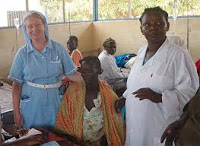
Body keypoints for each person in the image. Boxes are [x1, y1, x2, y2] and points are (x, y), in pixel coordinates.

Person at [115, 6, 199, 146]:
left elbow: (190, 90)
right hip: (135, 121)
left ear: (167, 25)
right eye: (147, 25)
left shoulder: (178, 55)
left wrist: (160, 97)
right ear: (142, 29)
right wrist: (124, 97)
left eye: (159, 23)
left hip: (159, 123)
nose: (153, 28)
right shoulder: (141, 52)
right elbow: (136, 80)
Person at [8, 11, 78, 129]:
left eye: (37, 25)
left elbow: (72, 74)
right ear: (25, 29)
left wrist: (95, 80)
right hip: (32, 104)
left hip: (54, 101)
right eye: (30, 26)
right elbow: (16, 85)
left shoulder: (58, 49)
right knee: (33, 137)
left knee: (55, 135)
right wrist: (16, 113)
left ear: (44, 26)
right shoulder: (22, 53)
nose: (34, 29)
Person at [52, 56, 125, 146]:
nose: (85, 75)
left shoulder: (108, 96)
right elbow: (63, 121)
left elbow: (113, 128)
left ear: (99, 71)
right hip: (74, 142)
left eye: (89, 71)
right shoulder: (73, 92)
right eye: (83, 71)